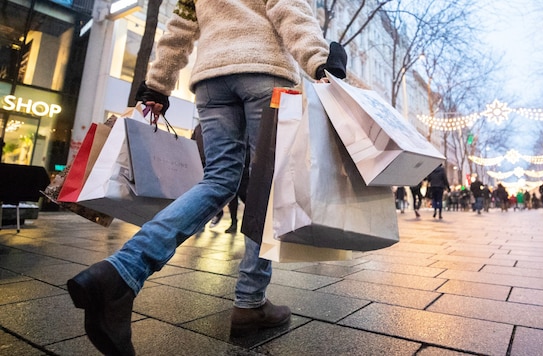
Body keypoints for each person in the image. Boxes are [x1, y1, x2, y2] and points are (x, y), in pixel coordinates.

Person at [65, 1, 348, 354]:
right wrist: (318, 61)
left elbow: (180, 27)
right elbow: (289, 9)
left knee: (217, 180)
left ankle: (122, 271)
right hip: (265, 72)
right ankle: (250, 302)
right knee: (268, 189)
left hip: (212, 80)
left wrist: (158, 85)